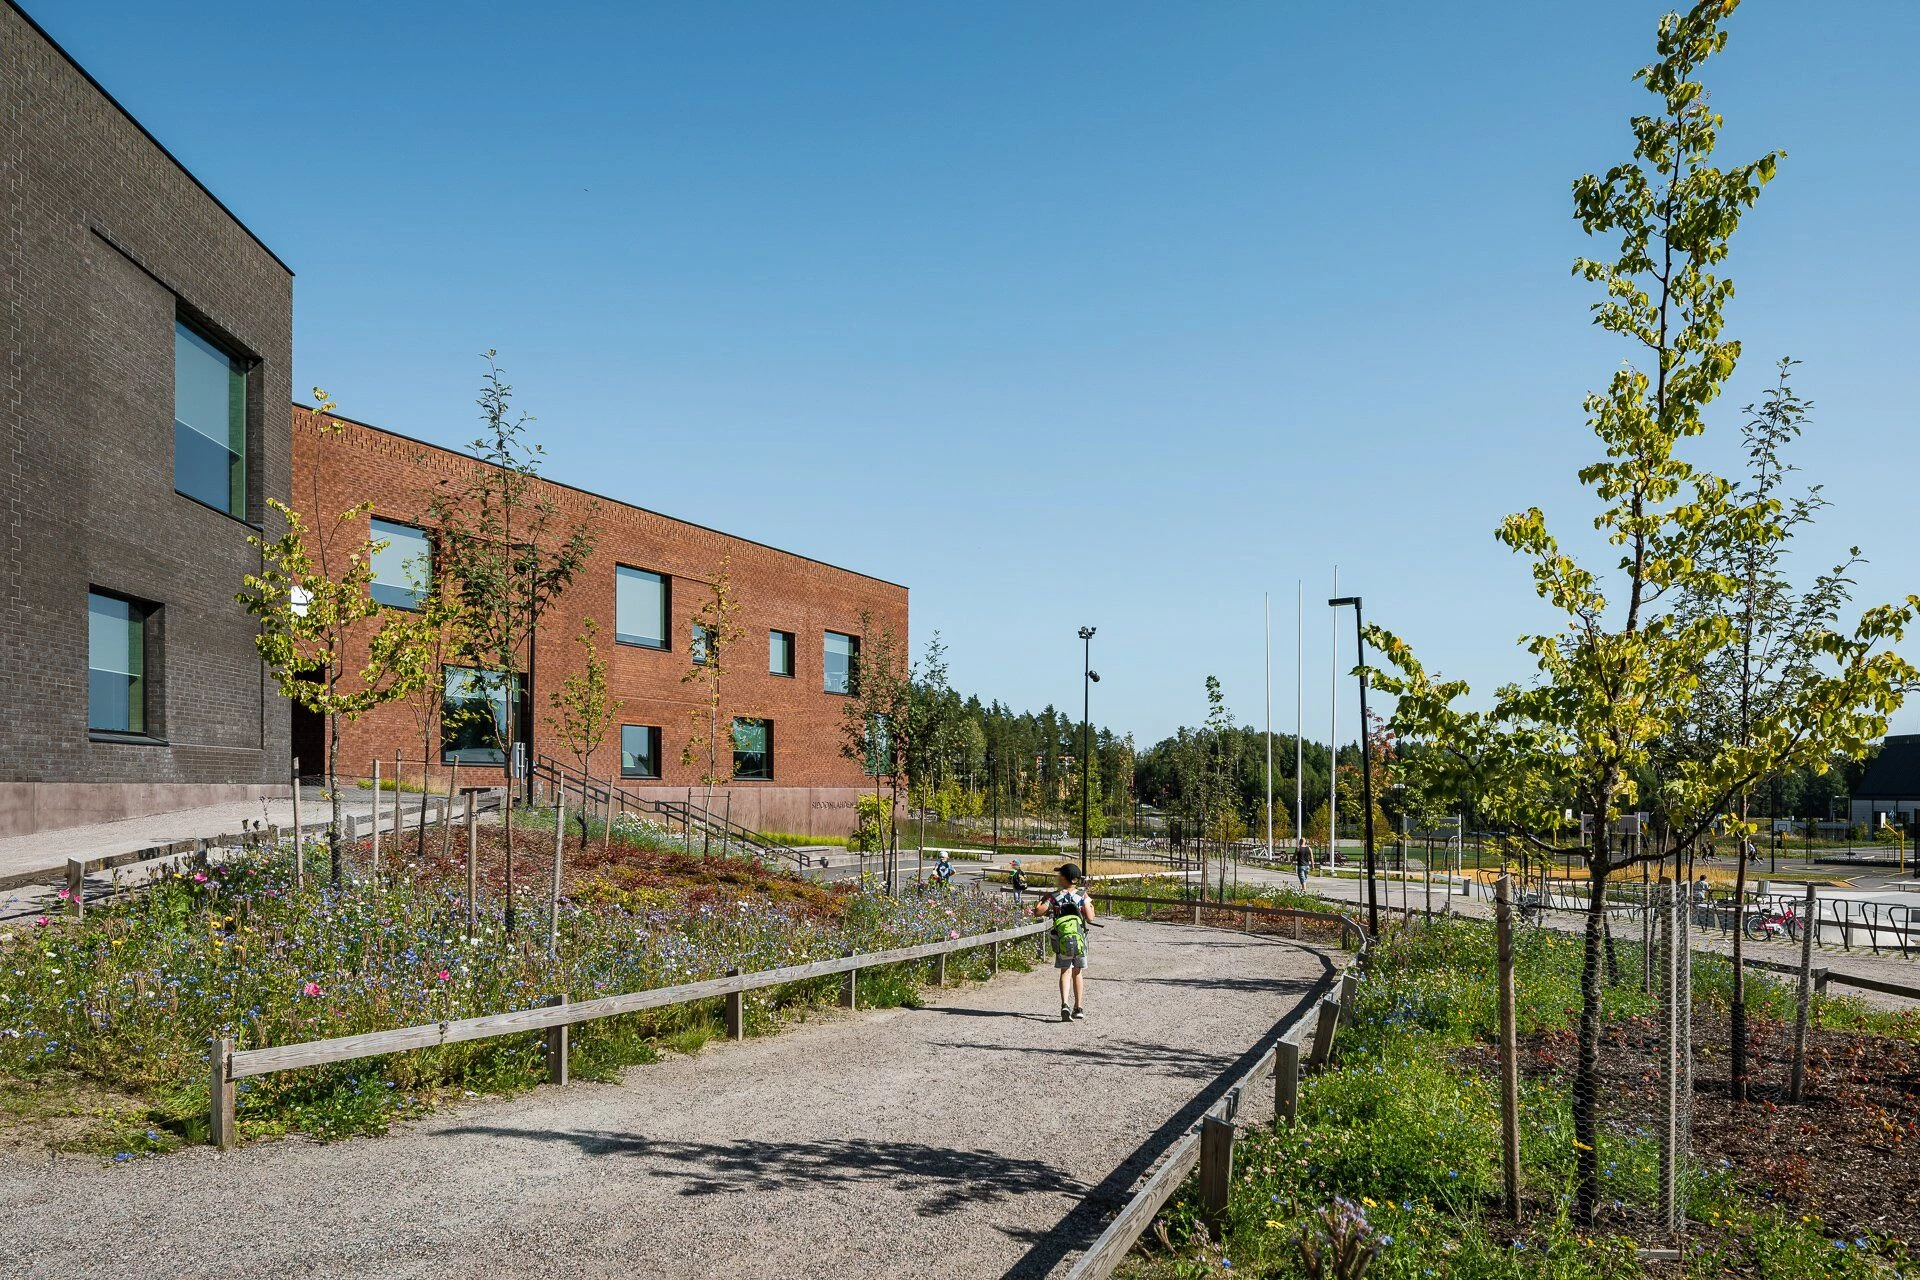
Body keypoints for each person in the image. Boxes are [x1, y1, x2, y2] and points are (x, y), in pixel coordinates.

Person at [1032, 863, 1095, 1021]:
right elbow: (1090, 917)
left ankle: (1065, 1004)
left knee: (1065, 971)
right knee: (1078, 972)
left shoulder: (1055, 896)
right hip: (1080, 939)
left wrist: (1043, 899)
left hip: (1062, 940)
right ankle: (1078, 1007)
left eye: (1060, 874)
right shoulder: (1082, 895)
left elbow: (1038, 912)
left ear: (1064, 878)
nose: (1057, 877)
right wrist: (1089, 905)